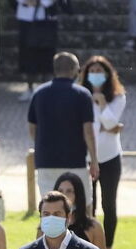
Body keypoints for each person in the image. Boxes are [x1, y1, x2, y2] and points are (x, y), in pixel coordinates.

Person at [28, 52, 98, 201]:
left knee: (49, 206)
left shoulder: (39, 93)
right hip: (75, 159)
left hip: (46, 160)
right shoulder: (83, 94)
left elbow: (32, 129)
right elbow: (88, 131)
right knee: (81, 204)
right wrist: (94, 159)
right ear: (73, 70)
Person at [79, 56, 126, 249]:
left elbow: (111, 124)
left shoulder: (118, 97)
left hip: (110, 157)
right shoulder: (81, 96)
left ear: (107, 74)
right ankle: (91, 245)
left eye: (99, 71)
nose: (95, 74)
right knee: (89, 204)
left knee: (109, 204)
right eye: (92, 71)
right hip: (86, 158)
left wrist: (102, 103)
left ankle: (108, 247)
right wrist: (111, 127)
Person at [15, 0, 61, 102]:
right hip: (26, 20)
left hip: (47, 20)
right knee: (27, 57)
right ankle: (29, 88)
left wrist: (39, 2)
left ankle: (48, 90)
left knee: (47, 57)